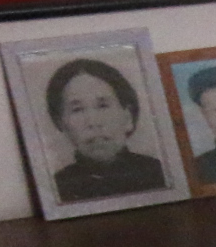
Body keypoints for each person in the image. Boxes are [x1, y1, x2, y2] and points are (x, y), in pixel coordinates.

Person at [46, 58, 168, 201]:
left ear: (128, 116)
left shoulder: (162, 174)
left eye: (103, 106)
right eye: (77, 109)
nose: (93, 122)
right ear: (61, 123)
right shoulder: (54, 189)